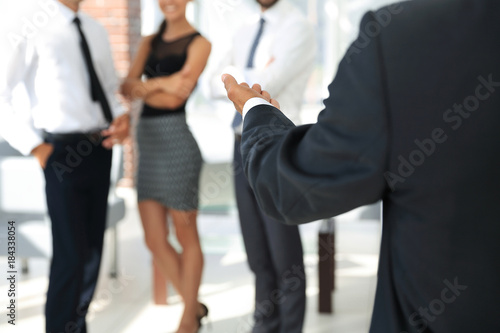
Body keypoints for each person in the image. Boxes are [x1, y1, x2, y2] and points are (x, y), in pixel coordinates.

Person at [222, 0, 500, 332]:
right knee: (261, 260)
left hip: (267, 141)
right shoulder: (242, 29)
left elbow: (292, 187)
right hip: (249, 147)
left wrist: (254, 107)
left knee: (284, 262)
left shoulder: (400, 37)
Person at [0, 0, 129, 332]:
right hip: (60, 151)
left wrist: (121, 116)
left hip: (100, 147)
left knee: (92, 254)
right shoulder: (29, 23)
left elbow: (110, 87)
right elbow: (2, 91)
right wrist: (35, 147)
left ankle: (78, 325)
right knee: (70, 255)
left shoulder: (95, 29)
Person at [212, 0, 315, 332]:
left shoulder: (296, 27)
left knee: (284, 255)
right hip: (241, 144)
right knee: (257, 251)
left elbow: (265, 84)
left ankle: (289, 328)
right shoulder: (242, 25)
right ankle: (265, 325)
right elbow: (213, 79)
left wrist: (237, 80)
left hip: (277, 149)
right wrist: (238, 82)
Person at [120, 0, 211, 332]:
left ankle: (189, 318)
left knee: (186, 234)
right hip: (149, 148)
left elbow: (176, 99)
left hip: (177, 147)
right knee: (154, 239)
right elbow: (124, 87)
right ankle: (195, 305)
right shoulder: (149, 40)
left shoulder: (200, 43)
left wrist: (145, 87)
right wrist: (162, 82)